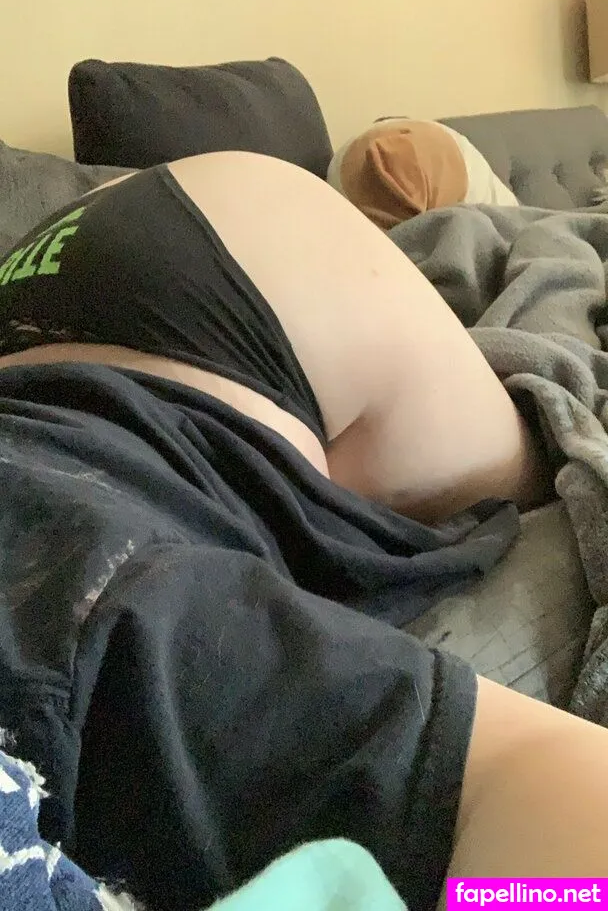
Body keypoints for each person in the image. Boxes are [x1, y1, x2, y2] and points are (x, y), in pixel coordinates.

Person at [0, 151, 605, 911]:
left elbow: (546, 781)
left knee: (540, 458)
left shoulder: (96, 650)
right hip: (127, 261)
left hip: (249, 278)